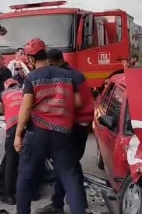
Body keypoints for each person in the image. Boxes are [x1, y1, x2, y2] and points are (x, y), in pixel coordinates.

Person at [14, 38, 85, 214]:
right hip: (63, 133)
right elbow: (78, 102)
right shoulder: (67, 75)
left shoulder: (32, 78)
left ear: (30, 59)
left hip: (38, 132)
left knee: (25, 176)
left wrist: (18, 134)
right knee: (70, 176)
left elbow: (26, 107)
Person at [36, 49, 94, 214]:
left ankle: (67, 205)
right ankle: (70, 203)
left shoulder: (69, 77)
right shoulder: (74, 74)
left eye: (52, 65)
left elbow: (76, 102)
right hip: (79, 124)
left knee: (67, 166)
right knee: (70, 165)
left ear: (60, 62)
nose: (50, 69)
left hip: (75, 125)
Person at [0, 78, 22, 205]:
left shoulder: (3, 94)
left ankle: (9, 196)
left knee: (11, 162)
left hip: (13, 128)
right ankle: (32, 193)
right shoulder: (24, 90)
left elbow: (1, 110)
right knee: (28, 160)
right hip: (28, 127)